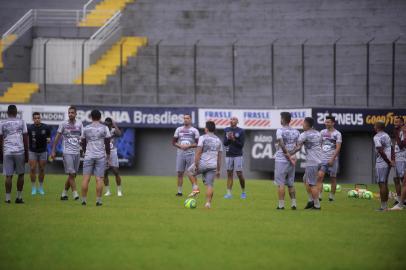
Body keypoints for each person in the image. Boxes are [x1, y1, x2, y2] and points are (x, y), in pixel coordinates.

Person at [186, 121, 222, 209]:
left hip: (203, 163)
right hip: (213, 166)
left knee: (190, 172)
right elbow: (219, 157)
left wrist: (196, 164)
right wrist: (218, 170)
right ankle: (208, 204)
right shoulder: (218, 140)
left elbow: (198, 152)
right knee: (209, 185)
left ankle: (195, 188)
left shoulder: (203, 138)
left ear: (206, 129)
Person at [290, 117, 322, 210]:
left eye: (303, 123)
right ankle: (310, 200)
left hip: (312, 162)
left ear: (307, 124)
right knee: (305, 179)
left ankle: (316, 205)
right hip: (319, 160)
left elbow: (298, 148)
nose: (302, 125)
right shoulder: (318, 133)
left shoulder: (304, 135)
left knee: (312, 184)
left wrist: (289, 153)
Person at [51, 106, 83, 201]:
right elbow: (57, 137)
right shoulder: (63, 124)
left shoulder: (80, 123)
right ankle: (75, 194)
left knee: (72, 175)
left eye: (72, 112)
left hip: (77, 152)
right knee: (72, 173)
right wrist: (53, 150)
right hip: (67, 152)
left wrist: (83, 148)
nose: (70, 114)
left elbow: (83, 137)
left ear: (76, 114)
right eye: (69, 112)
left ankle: (64, 193)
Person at [80, 109, 111, 206]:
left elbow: (83, 142)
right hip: (100, 156)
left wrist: (85, 152)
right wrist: (108, 157)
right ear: (100, 117)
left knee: (86, 179)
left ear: (91, 117)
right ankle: (98, 201)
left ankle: (84, 200)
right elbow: (107, 144)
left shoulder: (86, 128)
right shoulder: (105, 128)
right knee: (99, 179)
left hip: (88, 156)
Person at [0, 105, 29, 204]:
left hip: (7, 151)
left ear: (7, 113)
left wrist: (1, 153)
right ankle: (19, 197)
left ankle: (8, 199)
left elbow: (0, 139)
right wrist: (26, 154)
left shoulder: (2, 122)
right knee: (21, 174)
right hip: (19, 151)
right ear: (16, 113)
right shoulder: (21, 122)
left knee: (8, 176)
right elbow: (25, 139)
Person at [274, 112, 300, 210]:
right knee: (290, 183)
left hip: (281, 159)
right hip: (292, 160)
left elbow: (281, 142)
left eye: (281, 118)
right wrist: (292, 154)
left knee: (281, 183)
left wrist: (287, 154)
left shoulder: (280, 130)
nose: (280, 120)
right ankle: (294, 204)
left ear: (283, 119)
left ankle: (281, 205)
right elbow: (299, 146)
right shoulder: (296, 131)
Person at [172, 113, 200, 196]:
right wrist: (180, 146)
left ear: (190, 120)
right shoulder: (178, 129)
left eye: (187, 118)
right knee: (180, 173)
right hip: (180, 154)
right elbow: (173, 142)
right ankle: (179, 192)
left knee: (192, 173)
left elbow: (198, 144)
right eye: (184, 118)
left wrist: (189, 146)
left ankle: (195, 191)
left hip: (191, 154)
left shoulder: (194, 130)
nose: (185, 120)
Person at [319, 116, 342, 201]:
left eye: (328, 122)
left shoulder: (337, 134)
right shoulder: (322, 132)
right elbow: (319, 144)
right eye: (326, 122)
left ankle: (331, 196)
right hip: (323, 158)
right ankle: (319, 195)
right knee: (320, 176)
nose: (326, 123)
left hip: (333, 159)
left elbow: (338, 147)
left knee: (333, 178)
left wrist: (332, 158)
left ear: (333, 123)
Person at [28, 112, 51, 195]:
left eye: (38, 118)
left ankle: (40, 188)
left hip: (43, 151)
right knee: (32, 168)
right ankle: (33, 188)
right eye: (35, 118)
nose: (37, 119)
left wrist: (48, 140)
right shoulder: (30, 128)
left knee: (41, 169)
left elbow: (49, 137)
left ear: (40, 118)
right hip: (32, 151)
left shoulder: (46, 127)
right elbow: (27, 139)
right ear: (33, 119)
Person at [223, 116, 246, 199]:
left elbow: (241, 145)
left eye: (234, 119)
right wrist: (229, 139)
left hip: (238, 155)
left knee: (239, 174)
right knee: (229, 174)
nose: (232, 120)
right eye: (231, 119)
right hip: (228, 154)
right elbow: (225, 143)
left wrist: (233, 139)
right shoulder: (226, 130)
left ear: (237, 121)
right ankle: (229, 193)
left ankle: (243, 191)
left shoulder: (241, 131)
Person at [373, 121, 394, 211]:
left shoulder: (377, 137)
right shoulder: (387, 135)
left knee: (381, 183)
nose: (373, 127)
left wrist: (388, 161)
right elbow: (392, 148)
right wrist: (392, 160)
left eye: (374, 125)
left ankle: (383, 207)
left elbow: (380, 150)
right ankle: (385, 206)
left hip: (382, 162)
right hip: (388, 161)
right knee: (384, 183)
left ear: (377, 127)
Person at [103, 117, 123, 197]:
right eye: (105, 124)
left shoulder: (113, 131)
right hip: (103, 152)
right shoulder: (103, 131)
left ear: (111, 124)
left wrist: (115, 124)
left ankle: (119, 191)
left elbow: (119, 134)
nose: (107, 126)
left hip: (113, 152)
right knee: (105, 173)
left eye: (108, 124)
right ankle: (108, 191)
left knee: (116, 171)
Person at [391, 119, 406, 210]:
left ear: (402, 123)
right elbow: (396, 145)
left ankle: (402, 201)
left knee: (403, 179)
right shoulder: (398, 131)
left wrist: (396, 134)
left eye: (397, 122)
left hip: (403, 158)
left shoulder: (403, 131)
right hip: (398, 157)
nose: (395, 123)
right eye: (394, 122)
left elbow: (401, 145)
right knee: (396, 179)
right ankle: (399, 198)